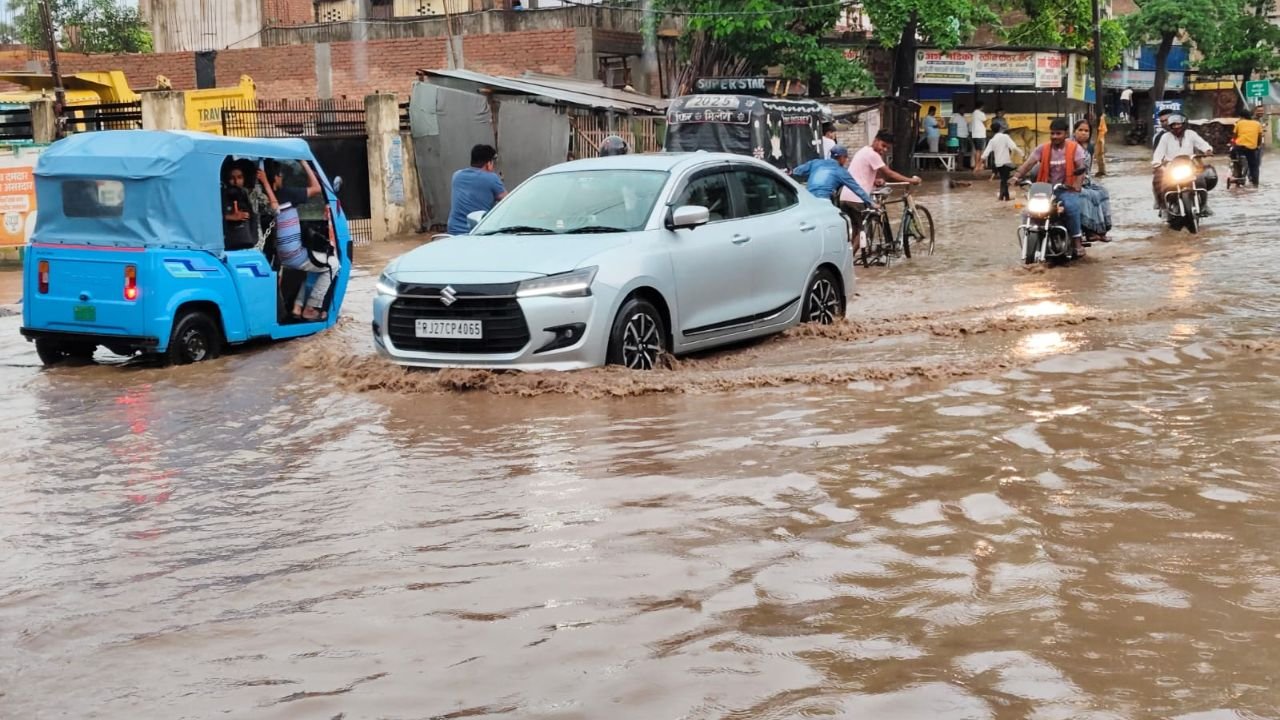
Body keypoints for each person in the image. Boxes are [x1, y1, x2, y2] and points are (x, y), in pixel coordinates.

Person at [258, 159, 337, 321]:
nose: (282, 179)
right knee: (333, 265)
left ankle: (297, 306)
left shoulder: (261, 199)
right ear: (277, 177)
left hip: (281, 257)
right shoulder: (287, 194)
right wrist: (304, 162)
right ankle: (311, 307)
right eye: (281, 175)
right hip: (294, 255)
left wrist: (264, 182)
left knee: (312, 267)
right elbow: (316, 188)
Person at [1011, 117, 1089, 257]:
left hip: (1066, 188)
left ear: (1065, 134)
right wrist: (1016, 176)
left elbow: (1081, 166)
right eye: (1052, 133)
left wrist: (1076, 185)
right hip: (1045, 189)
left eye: (1058, 133)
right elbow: (1029, 163)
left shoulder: (1074, 148)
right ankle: (1029, 239)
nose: (1054, 136)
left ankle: (1077, 243)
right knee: (1026, 211)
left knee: (1072, 207)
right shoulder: (1043, 148)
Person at [791, 144, 877, 243]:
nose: (846, 161)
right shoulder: (840, 171)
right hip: (823, 202)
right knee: (836, 227)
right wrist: (871, 202)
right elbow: (857, 189)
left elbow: (796, 171)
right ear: (841, 157)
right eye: (846, 158)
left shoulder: (815, 163)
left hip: (807, 200)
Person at [1151, 113, 1213, 213]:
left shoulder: (1191, 134)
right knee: (1158, 180)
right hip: (1171, 166)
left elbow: (1201, 143)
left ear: (1183, 124)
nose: (1176, 127)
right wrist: (1157, 163)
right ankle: (1163, 207)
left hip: (1190, 164)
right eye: (1174, 125)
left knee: (1201, 179)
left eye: (1178, 124)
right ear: (1170, 126)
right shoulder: (1165, 137)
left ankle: (1204, 205)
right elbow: (1159, 152)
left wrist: (1207, 150)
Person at [447, 144, 507, 235]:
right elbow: (507, 200)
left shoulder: (457, 175)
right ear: (489, 163)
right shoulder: (491, 178)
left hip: (454, 230)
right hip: (477, 231)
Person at [1074, 119, 1112, 241]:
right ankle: (1088, 230)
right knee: (1087, 195)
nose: (1083, 133)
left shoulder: (1090, 147)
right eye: (1080, 130)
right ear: (1074, 131)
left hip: (1085, 181)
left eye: (1087, 131)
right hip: (1072, 182)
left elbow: (1088, 170)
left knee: (1102, 192)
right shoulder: (1069, 146)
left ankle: (1101, 230)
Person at [980, 125, 1023, 201]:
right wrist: (1022, 153)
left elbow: (985, 154)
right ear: (1000, 129)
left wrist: (978, 164)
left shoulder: (992, 140)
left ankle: (1003, 196)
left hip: (998, 164)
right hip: (1006, 162)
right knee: (1005, 179)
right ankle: (1004, 197)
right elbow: (1013, 147)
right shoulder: (1005, 137)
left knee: (1003, 179)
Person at [222, 164, 254, 251]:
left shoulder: (250, 195)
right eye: (232, 178)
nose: (236, 181)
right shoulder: (221, 196)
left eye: (239, 177)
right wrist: (230, 217)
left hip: (250, 244)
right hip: (229, 246)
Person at [1231, 107, 1263, 187]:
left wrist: (1233, 144)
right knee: (1254, 166)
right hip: (1252, 148)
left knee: (1233, 157)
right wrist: (1257, 146)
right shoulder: (1257, 124)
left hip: (1239, 147)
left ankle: (1236, 168)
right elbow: (1259, 137)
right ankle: (1256, 183)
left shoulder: (1239, 123)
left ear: (1242, 117)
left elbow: (1234, 136)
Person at [970, 101, 988, 171]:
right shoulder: (981, 113)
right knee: (979, 151)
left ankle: (977, 165)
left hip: (975, 134)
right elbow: (985, 123)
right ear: (982, 106)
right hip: (980, 134)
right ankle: (978, 166)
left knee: (977, 150)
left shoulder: (973, 113)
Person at [1095, 112, 1108, 177]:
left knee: (1100, 157)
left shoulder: (1101, 135)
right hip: (1100, 143)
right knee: (1100, 157)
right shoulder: (1101, 133)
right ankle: (1102, 171)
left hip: (1100, 143)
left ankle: (1102, 171)